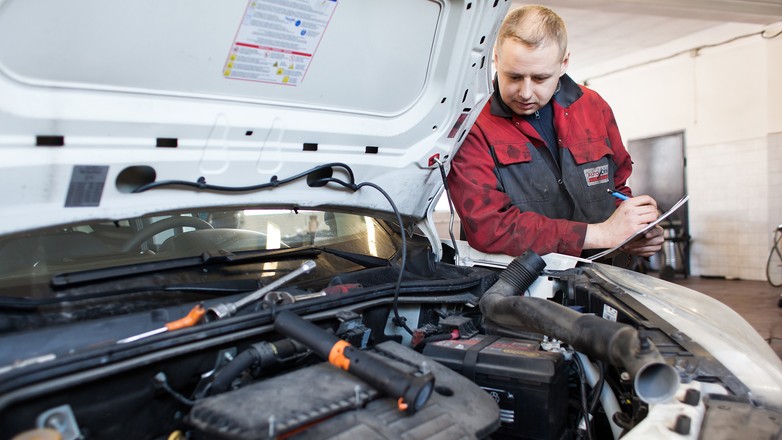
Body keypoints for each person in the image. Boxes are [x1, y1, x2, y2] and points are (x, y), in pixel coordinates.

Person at [447, 5, 663, 260]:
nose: (525, 93)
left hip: (602, 276)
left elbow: (615, 188)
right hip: (514, 288)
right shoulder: (472, 122)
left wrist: (632, 231)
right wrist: (601, 235)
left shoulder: (593, 106)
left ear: (564, 63)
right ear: (496, 59)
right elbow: (488, 228)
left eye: (540, 78)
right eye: (514, 77)